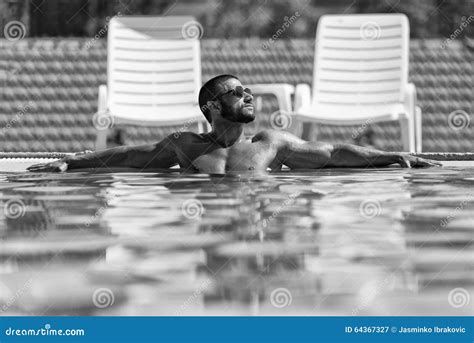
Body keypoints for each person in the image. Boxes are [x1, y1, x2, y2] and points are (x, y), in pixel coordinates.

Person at [27, 74, 440, 173]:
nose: (247, 95)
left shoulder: (270, 143)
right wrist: (72, 162)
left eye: (247, 92)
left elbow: (332, 153)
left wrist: (388, 156)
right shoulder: (184, 144)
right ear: (211, 105)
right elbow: (132, 155)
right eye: (235, 91)